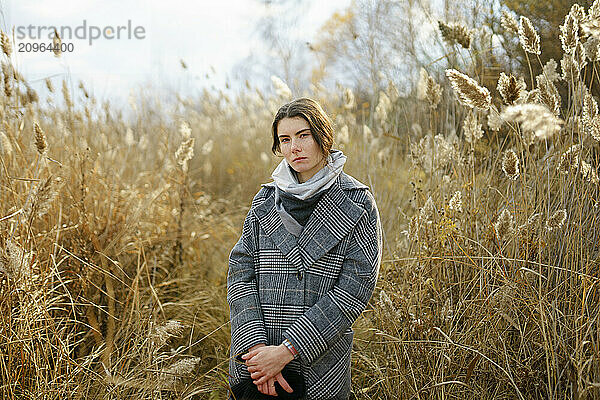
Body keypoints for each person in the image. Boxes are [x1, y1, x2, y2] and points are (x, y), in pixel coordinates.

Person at [227, 97, 383, 399]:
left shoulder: (358, 202)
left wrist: (288, 350)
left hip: (318, 362)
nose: (294, 148)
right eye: (285, 139)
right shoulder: (264, 200)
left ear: (322, 136)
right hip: (257, 364)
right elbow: (240, 274)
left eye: (303, 135)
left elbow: (355, 289)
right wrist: (258, 350)